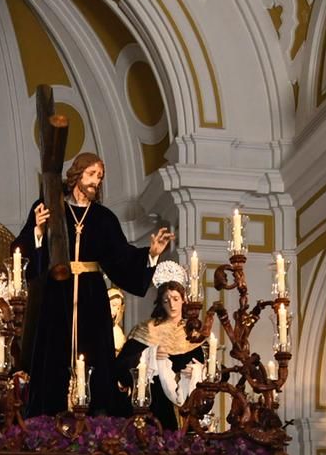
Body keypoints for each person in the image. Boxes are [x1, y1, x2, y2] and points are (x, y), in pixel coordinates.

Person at [14, 152, 172, 414]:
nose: (95, 181)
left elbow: (121, 256)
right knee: (53, 351)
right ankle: (48, 418)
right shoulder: (49, 206)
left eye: (99, 177)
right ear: (76, 174)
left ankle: (94, 419)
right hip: (57, 293)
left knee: (95, 355)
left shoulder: (103, 218)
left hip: (91, 294)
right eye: (91, 174)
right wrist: (38, 232)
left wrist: (151, 253)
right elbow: (22, 252)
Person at [115, 262, 205, 428]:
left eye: (176, 299)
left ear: (184, 300)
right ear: (160, 303)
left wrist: (198, 371)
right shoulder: (146, 330)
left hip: (187, 409)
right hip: (153, 409)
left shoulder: (193, 334)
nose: (171, 305)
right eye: (166, 300)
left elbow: (210, 371)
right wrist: (148, 355)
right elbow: (120, 369)